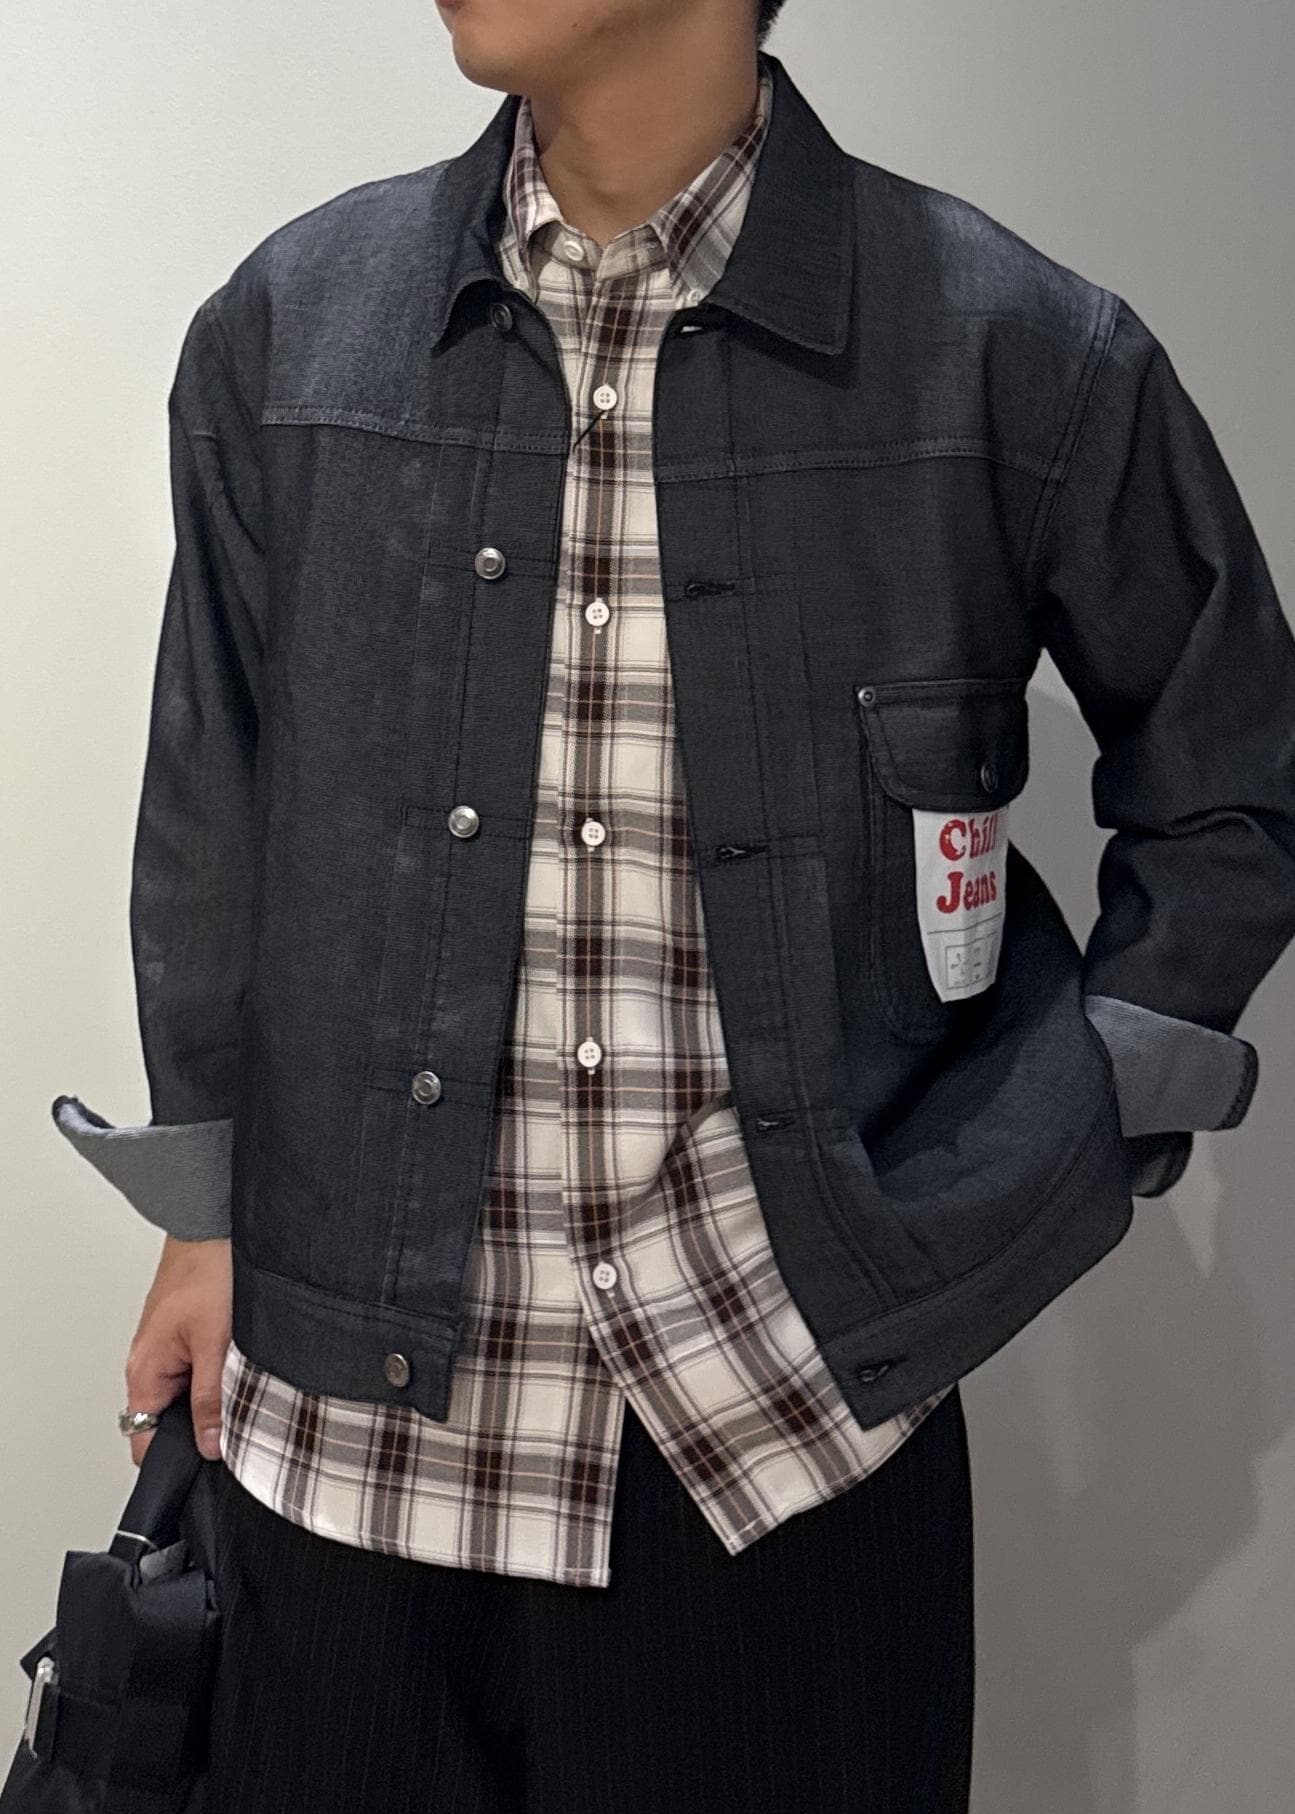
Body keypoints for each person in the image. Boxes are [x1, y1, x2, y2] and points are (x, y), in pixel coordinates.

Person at [52, 1, 1295, 1809]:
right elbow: (213, 807)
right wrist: (205, 1208)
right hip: (347, 1453)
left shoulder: (1011, 352)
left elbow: (1232, 770)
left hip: (781, 1448)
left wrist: (1071, 1122)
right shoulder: (290, 330)